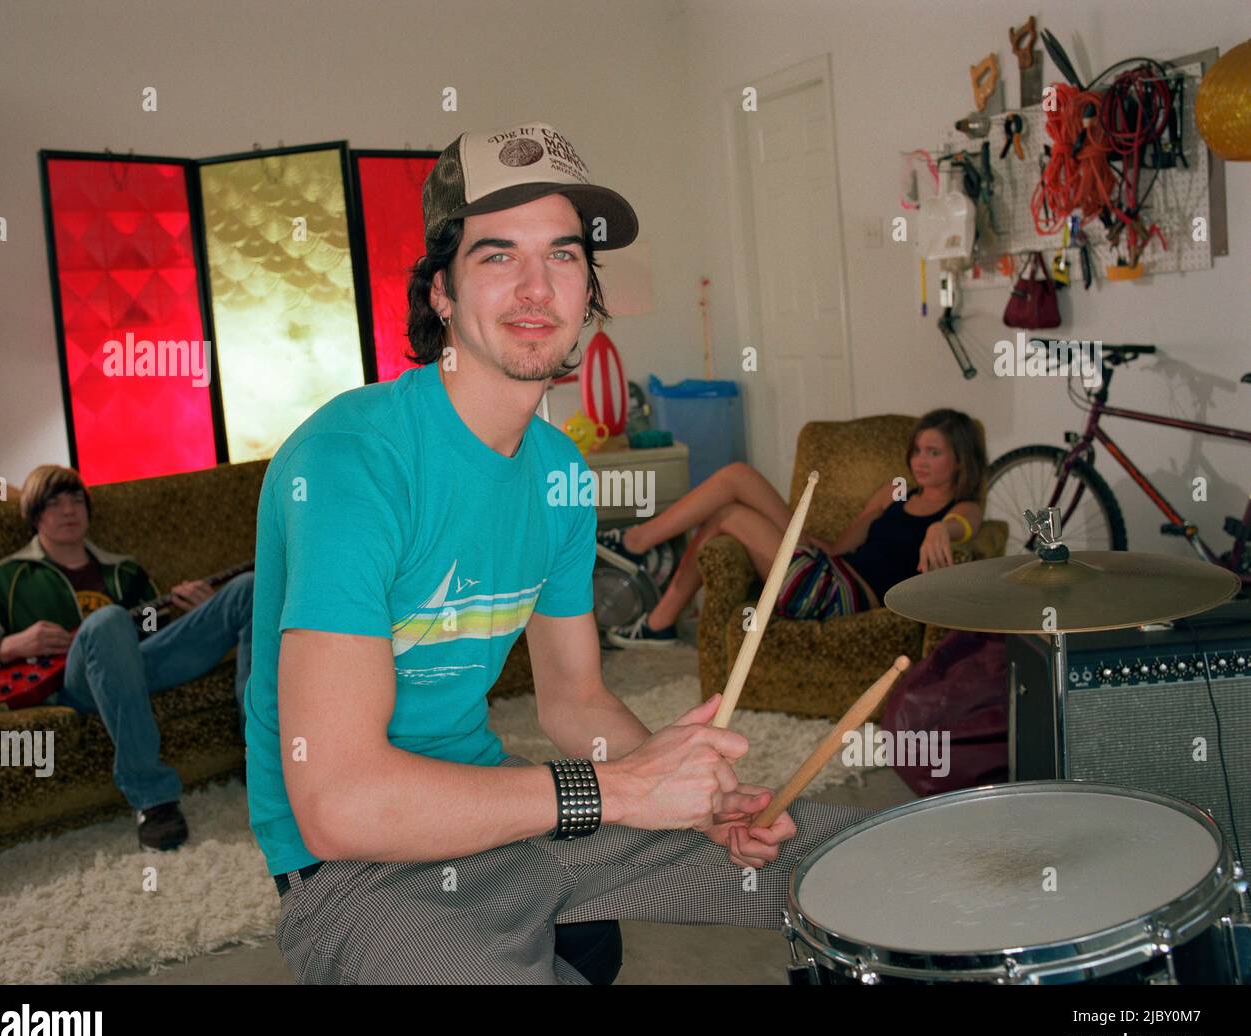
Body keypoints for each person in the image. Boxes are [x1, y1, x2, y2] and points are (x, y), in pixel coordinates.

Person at [246, 121, 871, 986]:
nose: (537, 286)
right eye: (498, 255)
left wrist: (697, 798)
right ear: (439, 292)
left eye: (565, 256)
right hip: (358, 871)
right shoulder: (351, 461)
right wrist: (618, 793)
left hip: (509, 816)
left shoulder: (560, 474)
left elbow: (574, 702)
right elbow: (340, 804)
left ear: (590, 290)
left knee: (862, 861)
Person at [0, 465, 255, 850]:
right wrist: (9, 646)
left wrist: (197, 610)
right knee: (108, 619)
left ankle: (259, 756)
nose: (68, 510)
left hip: (139, 669)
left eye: (76, 500)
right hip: (72, 685)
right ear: (33, 515)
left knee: (246, 588)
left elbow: (152, 629)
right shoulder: (9, 578)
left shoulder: (123, 570)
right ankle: (153, 800)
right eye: (54, 503)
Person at [602, 410, 987, 648]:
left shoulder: (962, 507)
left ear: (960, 460)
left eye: (933, 453)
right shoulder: (896, 490)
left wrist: (941, 530)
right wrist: (809, 542)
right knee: (731, 492)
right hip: (830, 569)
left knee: (730, 508)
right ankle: (658, 619)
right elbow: (844, 544)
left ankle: (639, 551)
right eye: (917, 450)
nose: (920, 461)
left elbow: (964, 526)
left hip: (843, 598)